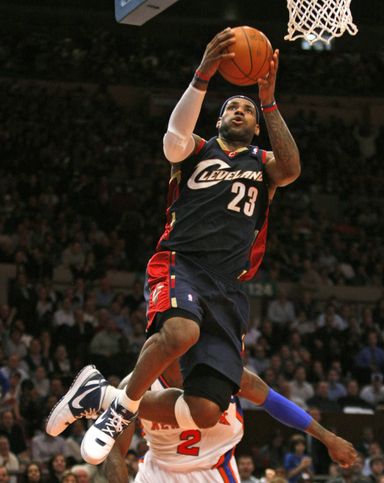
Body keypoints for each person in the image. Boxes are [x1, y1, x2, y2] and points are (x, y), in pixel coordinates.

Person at [50, 26, 302, 465]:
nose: (239, 111)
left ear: (257, 124)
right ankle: (121, 409)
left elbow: (293, 168)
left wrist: (268, 101)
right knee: (181, 332)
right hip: (181, 262)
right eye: (232, 107)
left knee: (206, 409)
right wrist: (202, 76)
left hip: (228, 285)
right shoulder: (197, 149)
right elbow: (172, 139)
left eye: (246, 109)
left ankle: (100, 394)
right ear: (219, 119)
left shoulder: (263, 163)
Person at [49, 363, 356, 482]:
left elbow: (274, 401)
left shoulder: (225, 372)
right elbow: (115, 447)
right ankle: (100, 396)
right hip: (159, 473)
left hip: (214, 473)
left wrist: (328, 438)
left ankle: (100, 395)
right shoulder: (138, 384)